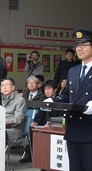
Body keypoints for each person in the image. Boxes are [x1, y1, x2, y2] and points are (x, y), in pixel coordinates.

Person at [46, 28, 92, 171]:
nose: (79, 49)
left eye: (84, 45)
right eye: (77, 45)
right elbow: (67, 95)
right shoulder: (73, 71)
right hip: (73, 130)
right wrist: (53, 101)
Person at [20, 80, 62, 164]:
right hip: (44, 124)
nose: (47, 91)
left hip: (56, 124)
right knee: (32, 129)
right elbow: (40, 113)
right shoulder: (45, 100)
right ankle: (31, 155)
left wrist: (50, 123)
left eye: (49, 89)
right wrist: (35, 121)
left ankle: (45, 157)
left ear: (55, 90)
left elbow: (59, 117)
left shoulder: (59, 101)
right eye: (45, 89)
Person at [1, 78, 26, 144]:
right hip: (0, 126)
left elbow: (18, 119)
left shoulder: (20, 100)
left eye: (7, 85)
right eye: (2, 86)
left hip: (13, 128)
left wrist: (3, 121)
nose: (4, 87)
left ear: (13, 87)